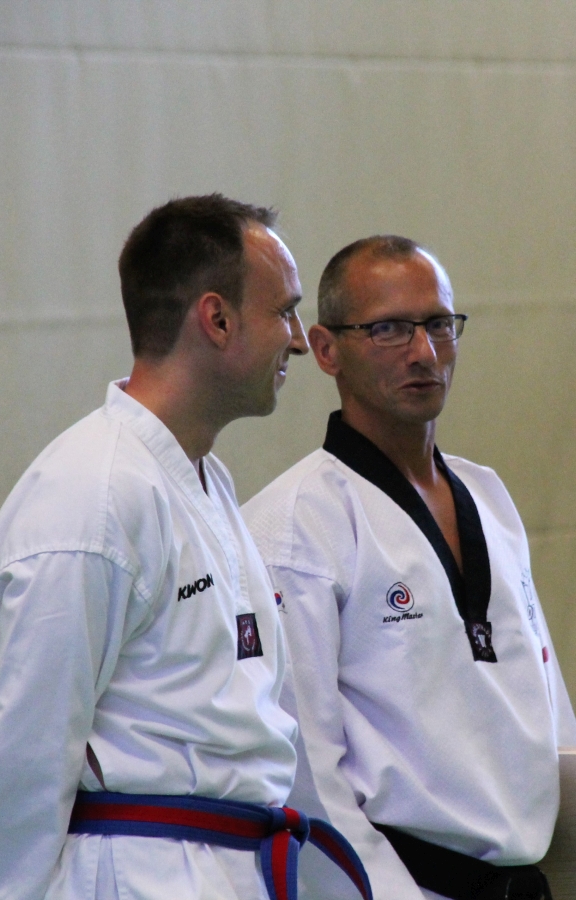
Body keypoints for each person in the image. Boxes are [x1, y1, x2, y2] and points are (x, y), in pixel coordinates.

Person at [0, 194, 314, 900]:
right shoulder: (91, 494)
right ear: (217, 319)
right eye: (284, 311)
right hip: (139, 874)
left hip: (228, 863)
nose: (299, 341)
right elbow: (29, 755)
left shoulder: (202, 478)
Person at [242, 235, 576, 900]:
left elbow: (548, 718)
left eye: (439, 325)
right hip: (400, 884)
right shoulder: (294, 525)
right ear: (326, 349)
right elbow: (305, 774)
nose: (423, 352)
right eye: (388, 329)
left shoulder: (489, 497)